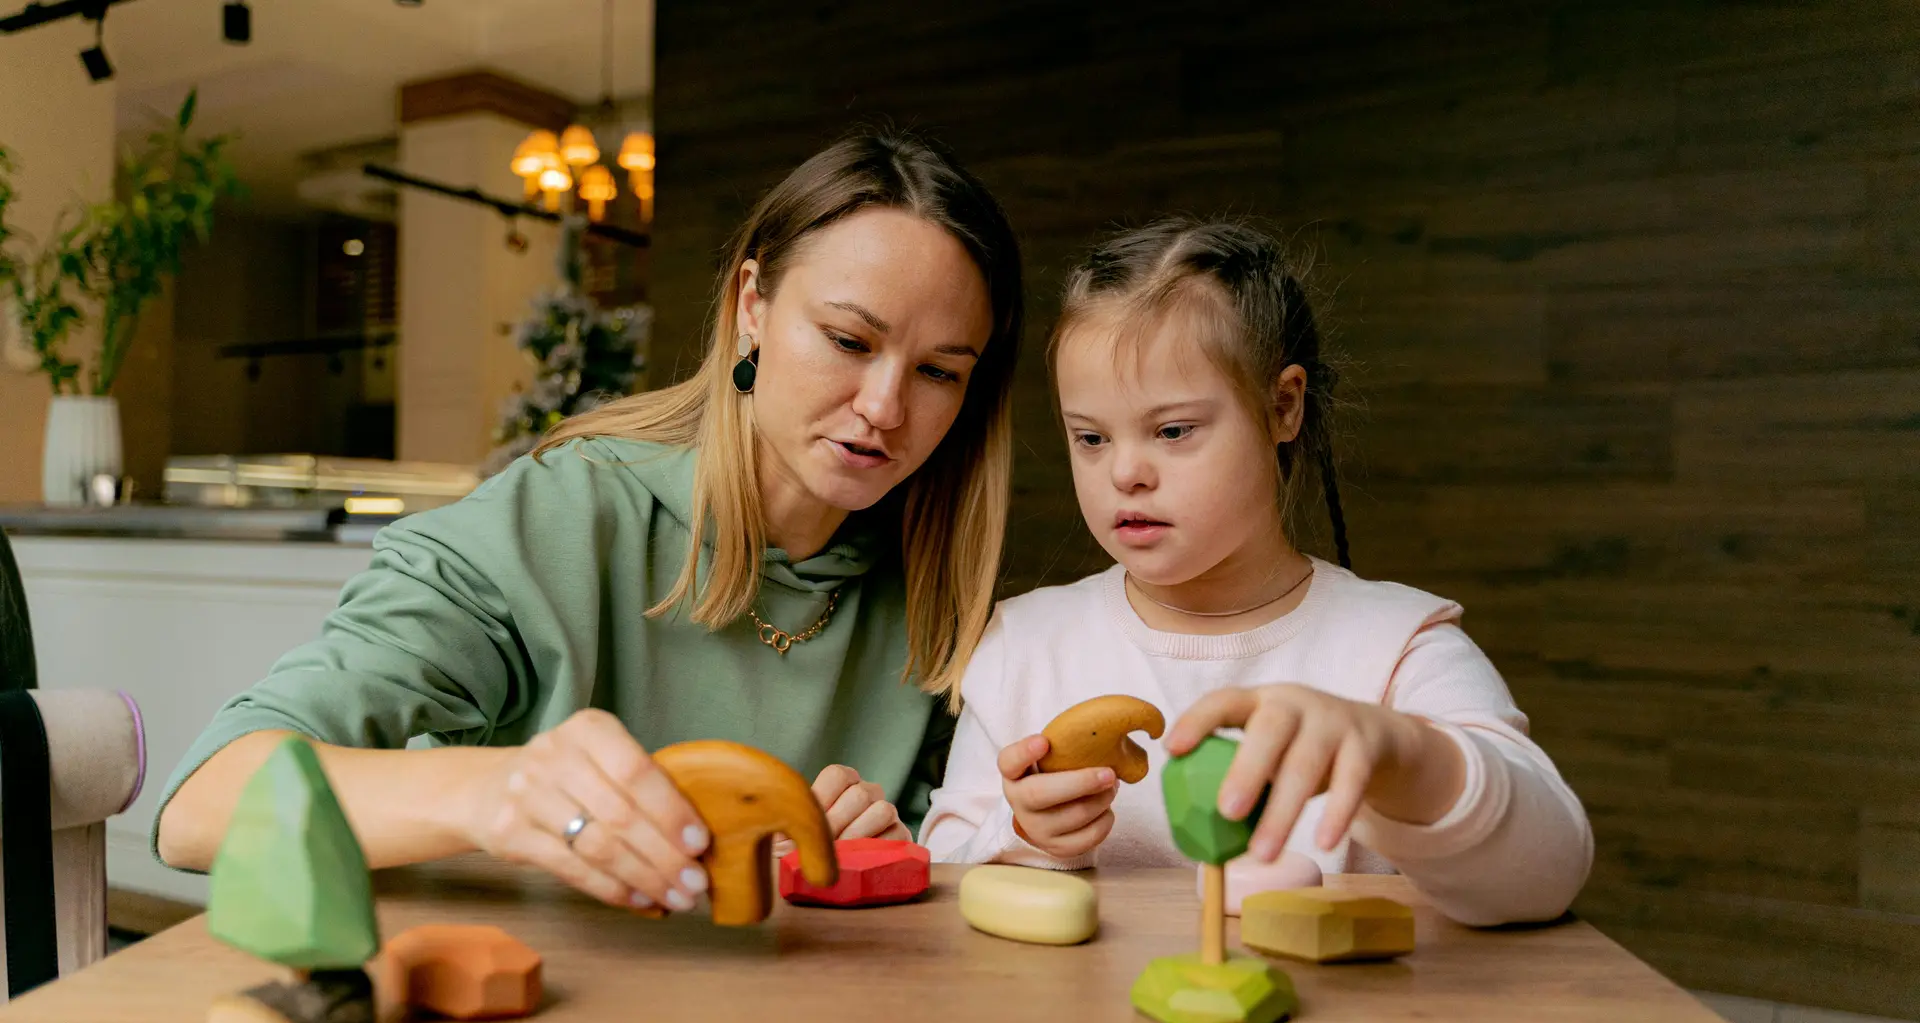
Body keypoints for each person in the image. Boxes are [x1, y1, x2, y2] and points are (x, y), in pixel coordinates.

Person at [155, 131, 1025, 915]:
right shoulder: (556, 521)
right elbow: (203, 806)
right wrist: (497, 792)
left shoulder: (938, 599)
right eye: (848, 341)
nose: (884, 408)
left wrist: (876, 852)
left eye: (938, 373)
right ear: (751, 307)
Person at [918, 217, 1592, 926]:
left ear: (1282, 406)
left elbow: (1547, 877)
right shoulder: (1023, 646)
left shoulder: (1398, 648)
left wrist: (1404, 756)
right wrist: (1022, 834)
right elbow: (940, 883)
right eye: (1091, 437)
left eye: (1173, 431)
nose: (1125, 473)